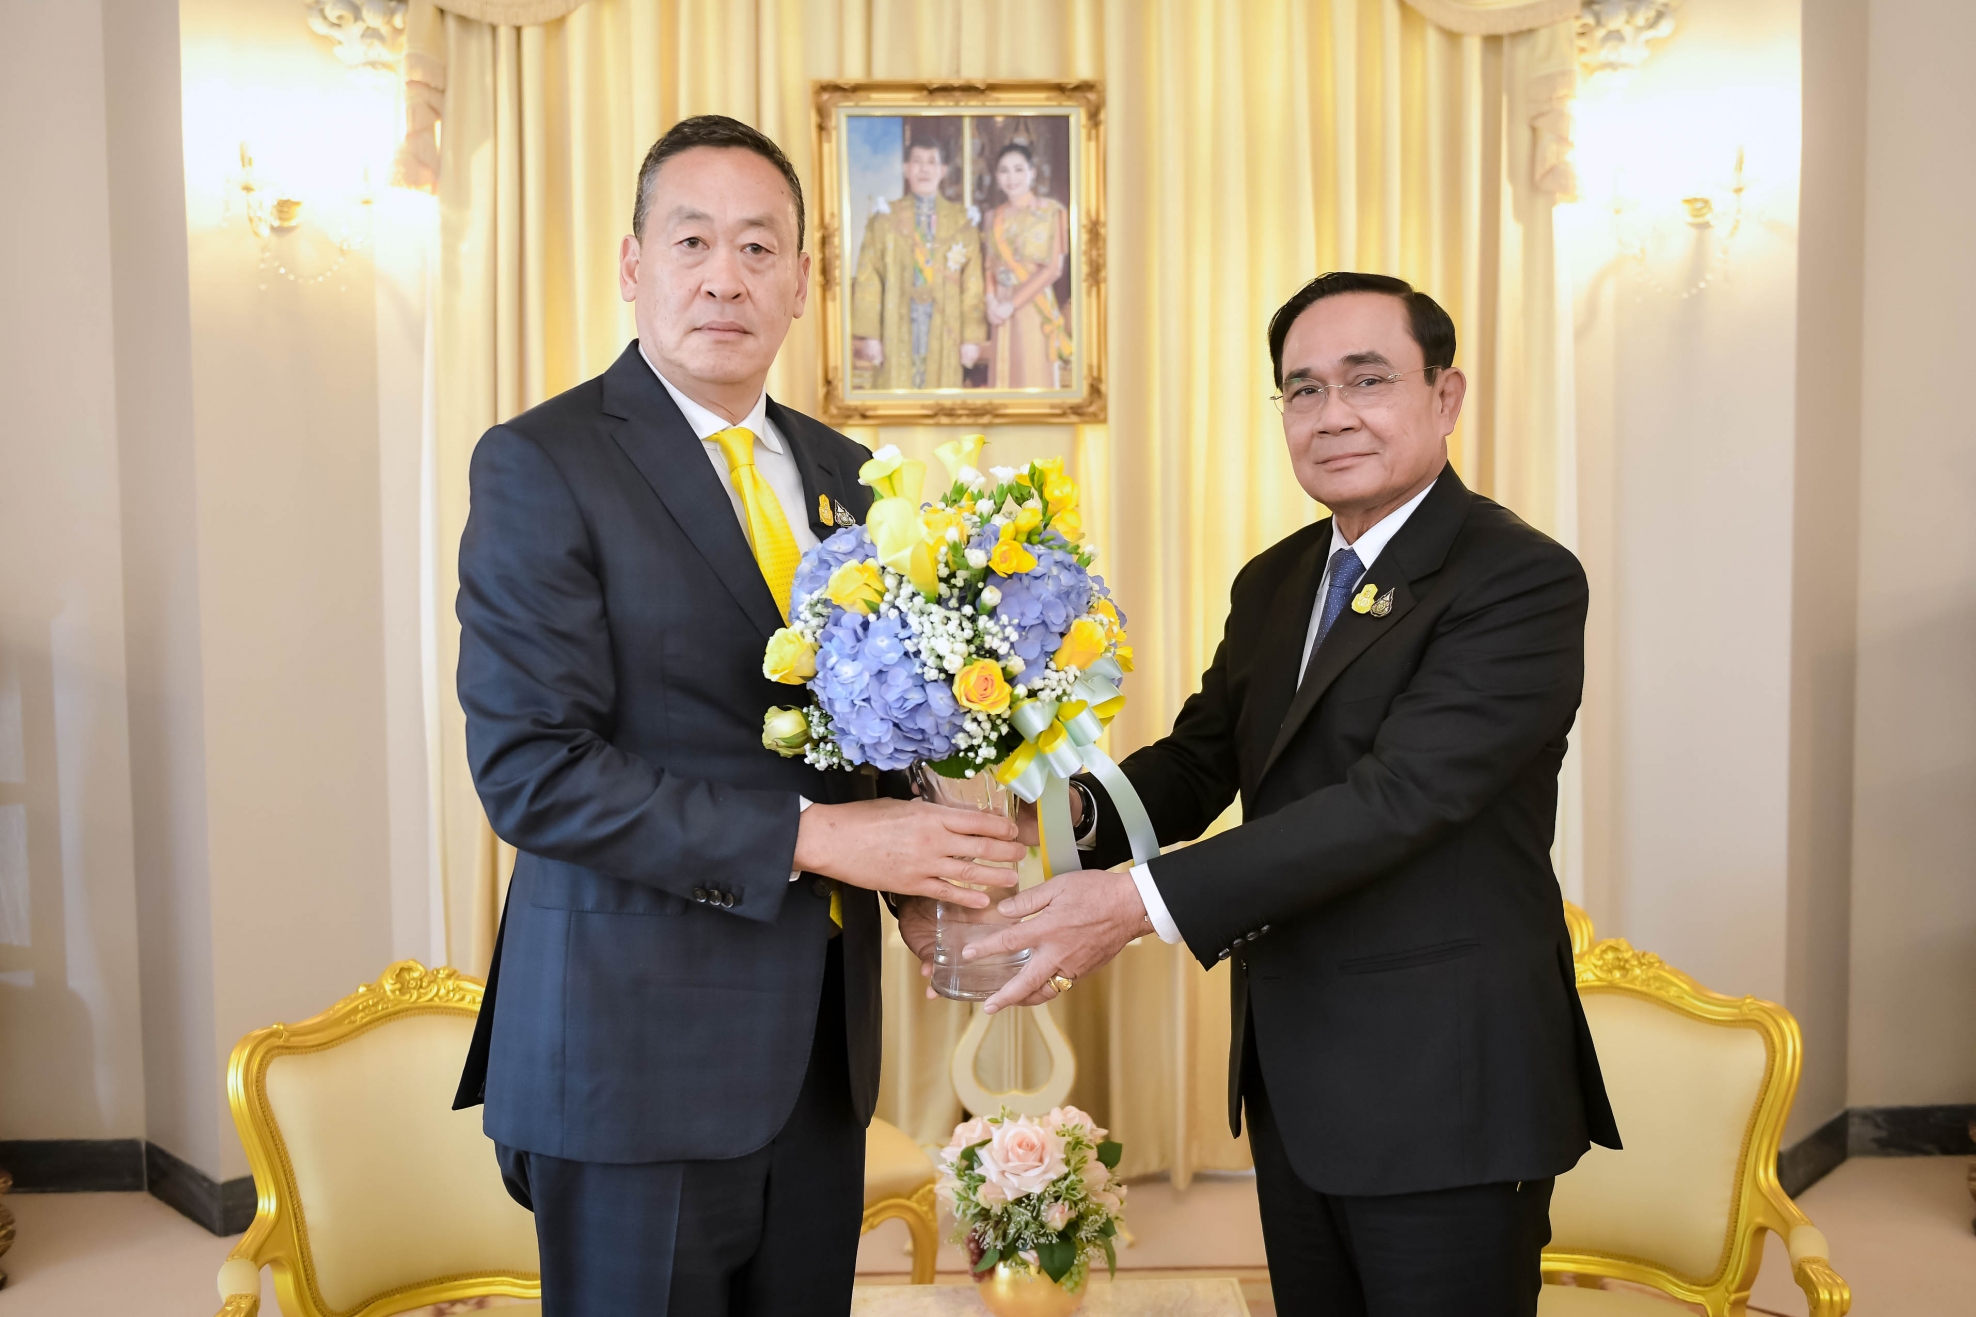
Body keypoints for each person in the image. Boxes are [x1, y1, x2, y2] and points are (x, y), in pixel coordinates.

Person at [938, 272, 1622, 1315]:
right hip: (1297, 1070)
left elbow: (1396, 798)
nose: (1331, 414)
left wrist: (1131, 905)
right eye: (1301, 390)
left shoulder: (1514, 578)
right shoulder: (1279, 577)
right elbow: (1205, 757)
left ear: (1445, 396)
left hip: (1445, 1079)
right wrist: (1053, 822)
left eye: (1366, 379)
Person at [452, 114, 1026, 1317]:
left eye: (760, 247)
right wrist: (819, 841)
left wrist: (921, 869)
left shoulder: (844, 472)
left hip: (817, 1055)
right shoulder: (542, 461)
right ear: (632, 265)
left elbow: (859, 732)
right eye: (693, 240)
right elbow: (533, 772)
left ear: (803, 281)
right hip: (629, 1050)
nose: (726, 275)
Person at [849, 134, 986, 389]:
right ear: (906, 168)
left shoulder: (962, 222)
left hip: (945, 322)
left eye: (931, 162)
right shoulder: (886, 219)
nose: (924, 168)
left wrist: (971, 338)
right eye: (917, 161)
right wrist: (870, 335)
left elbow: (973, 283)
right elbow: (870, 277)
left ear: (943, 170)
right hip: (898, 318)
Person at [981, 141, 1072, 388]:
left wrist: (1012, 305)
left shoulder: (1052, 212)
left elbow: (1054, 269)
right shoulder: (992, 218)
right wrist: (991, 300)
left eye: (1019, 169)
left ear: (1032, 173)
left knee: (1033, 379)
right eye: (1004, 170)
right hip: (1000, 309)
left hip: (1033, 307)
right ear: (996, 177)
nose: (1012, 178)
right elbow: (990, 266)